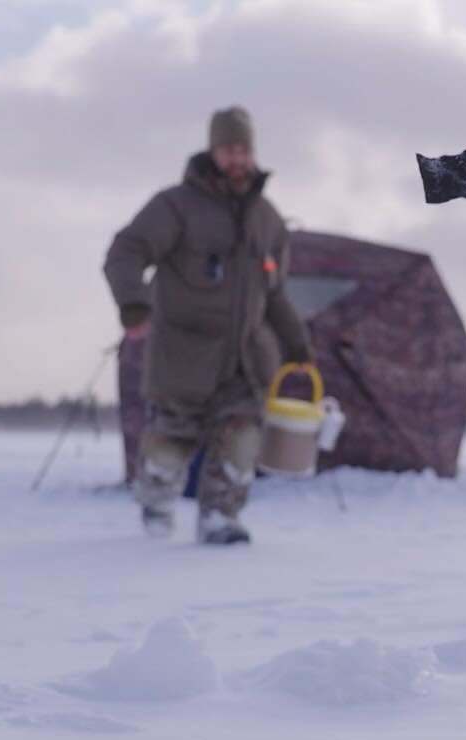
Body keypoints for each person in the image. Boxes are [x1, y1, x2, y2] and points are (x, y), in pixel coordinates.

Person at [102, 106, 311, 544]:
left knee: (242, 441)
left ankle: (220, 517)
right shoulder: (175, 207)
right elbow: (125, 252)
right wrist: (134, 304)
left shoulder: (268, 220)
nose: (237, 158)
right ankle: (156, 508)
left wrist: (297, 345)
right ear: (212, 150)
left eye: (243, 149)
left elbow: (273, 294)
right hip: (183, 359)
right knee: (169, 449)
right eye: (228, 149)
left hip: (245, 361)